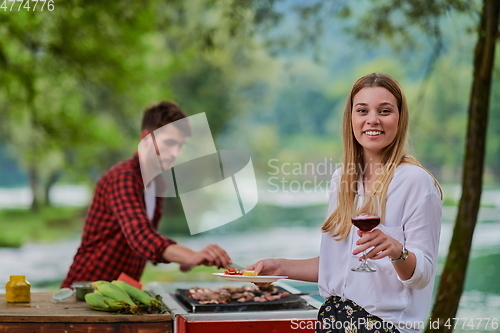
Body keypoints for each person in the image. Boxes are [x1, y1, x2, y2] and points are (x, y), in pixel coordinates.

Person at [247, 73, 442, 333]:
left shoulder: (415, 181)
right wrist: (279, 267)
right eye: (362, 110)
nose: (373, 119)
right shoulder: (342, 179)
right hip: (334, 324)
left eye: (385, 111)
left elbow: (423, 276)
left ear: (400, 118)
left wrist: (397, 251)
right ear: (351, 118)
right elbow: (338, 266)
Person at [62, 101, 232, 288]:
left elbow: (147, 241)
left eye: (180, 145)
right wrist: (191, 255)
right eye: (169, 143)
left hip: (121, 291)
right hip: (85, 290)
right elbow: (139, 235)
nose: (175, 152)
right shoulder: (124, 177)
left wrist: (184, 258)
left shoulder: (158, 184)